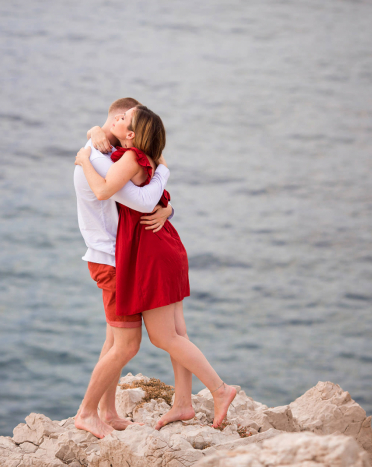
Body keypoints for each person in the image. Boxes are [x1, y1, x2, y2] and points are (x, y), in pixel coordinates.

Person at [75, 105, 238, 432]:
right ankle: (181, 403)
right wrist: (94, 133)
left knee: (159, 338)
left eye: (124, 119)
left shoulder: (128, 159)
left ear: (133, 134)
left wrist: (83, 156)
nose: (118, 122)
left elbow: (110, 190)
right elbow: (154, 192)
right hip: (164, 245)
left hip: (147, 254)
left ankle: (220, 390)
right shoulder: (136, 156)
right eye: (117, 118)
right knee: (172, 333)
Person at [72, 98, 186, 439]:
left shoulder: (114, 154)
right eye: (124, 119)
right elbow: (135, 196)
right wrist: (87, 150)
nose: (127, 126)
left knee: (113, 341)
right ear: (117, 121)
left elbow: (149, 193)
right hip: (111, 259)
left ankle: (107, 411)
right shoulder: (99, 158)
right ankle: (87, 412)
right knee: (127, 345)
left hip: (116, 258)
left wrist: (168, 209)